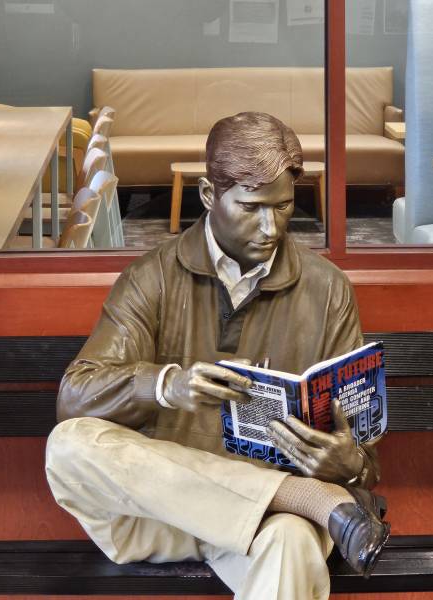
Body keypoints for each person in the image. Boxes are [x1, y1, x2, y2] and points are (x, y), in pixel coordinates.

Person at [45, 111, 390, 600]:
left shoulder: (326, 289)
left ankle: (296, 501)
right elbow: (75, 395)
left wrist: (348, 465)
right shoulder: (153, 277)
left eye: (284, 206)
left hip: (268, 527)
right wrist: (167, 386)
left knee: (294, 544)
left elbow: (364, 457)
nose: (271, 227)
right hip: (158, 515)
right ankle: (308, 499)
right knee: (68, 447)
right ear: (209, 195)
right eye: (252, 208)